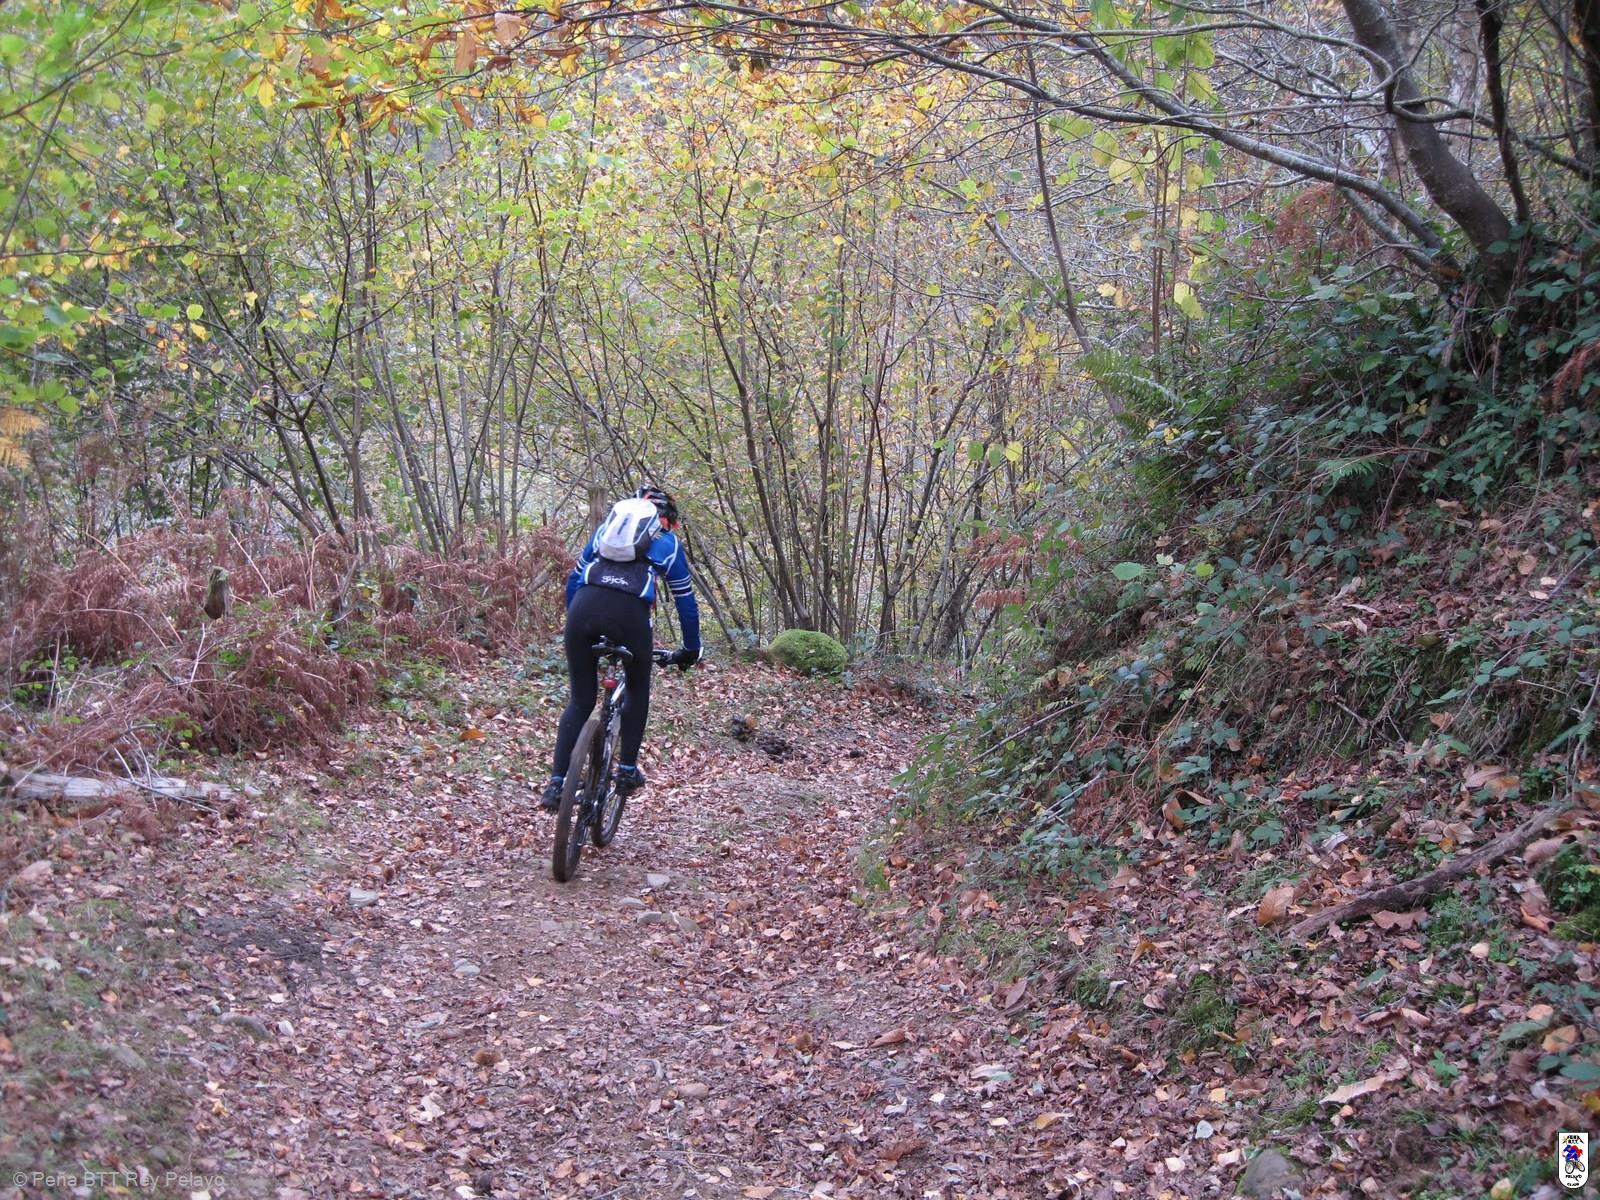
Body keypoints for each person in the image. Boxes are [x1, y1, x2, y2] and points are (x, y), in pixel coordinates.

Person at [541, 485, 702, 811]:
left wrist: (575, 621)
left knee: (581, 700)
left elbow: (574, 578)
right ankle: (627, 770)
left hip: (583, 610)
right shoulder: (669, 543)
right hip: (629, 617)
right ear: (668, 520)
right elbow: (685, 602)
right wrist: (690, 648)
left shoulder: (606, 532)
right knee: (638, 687)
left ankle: (556, 784)